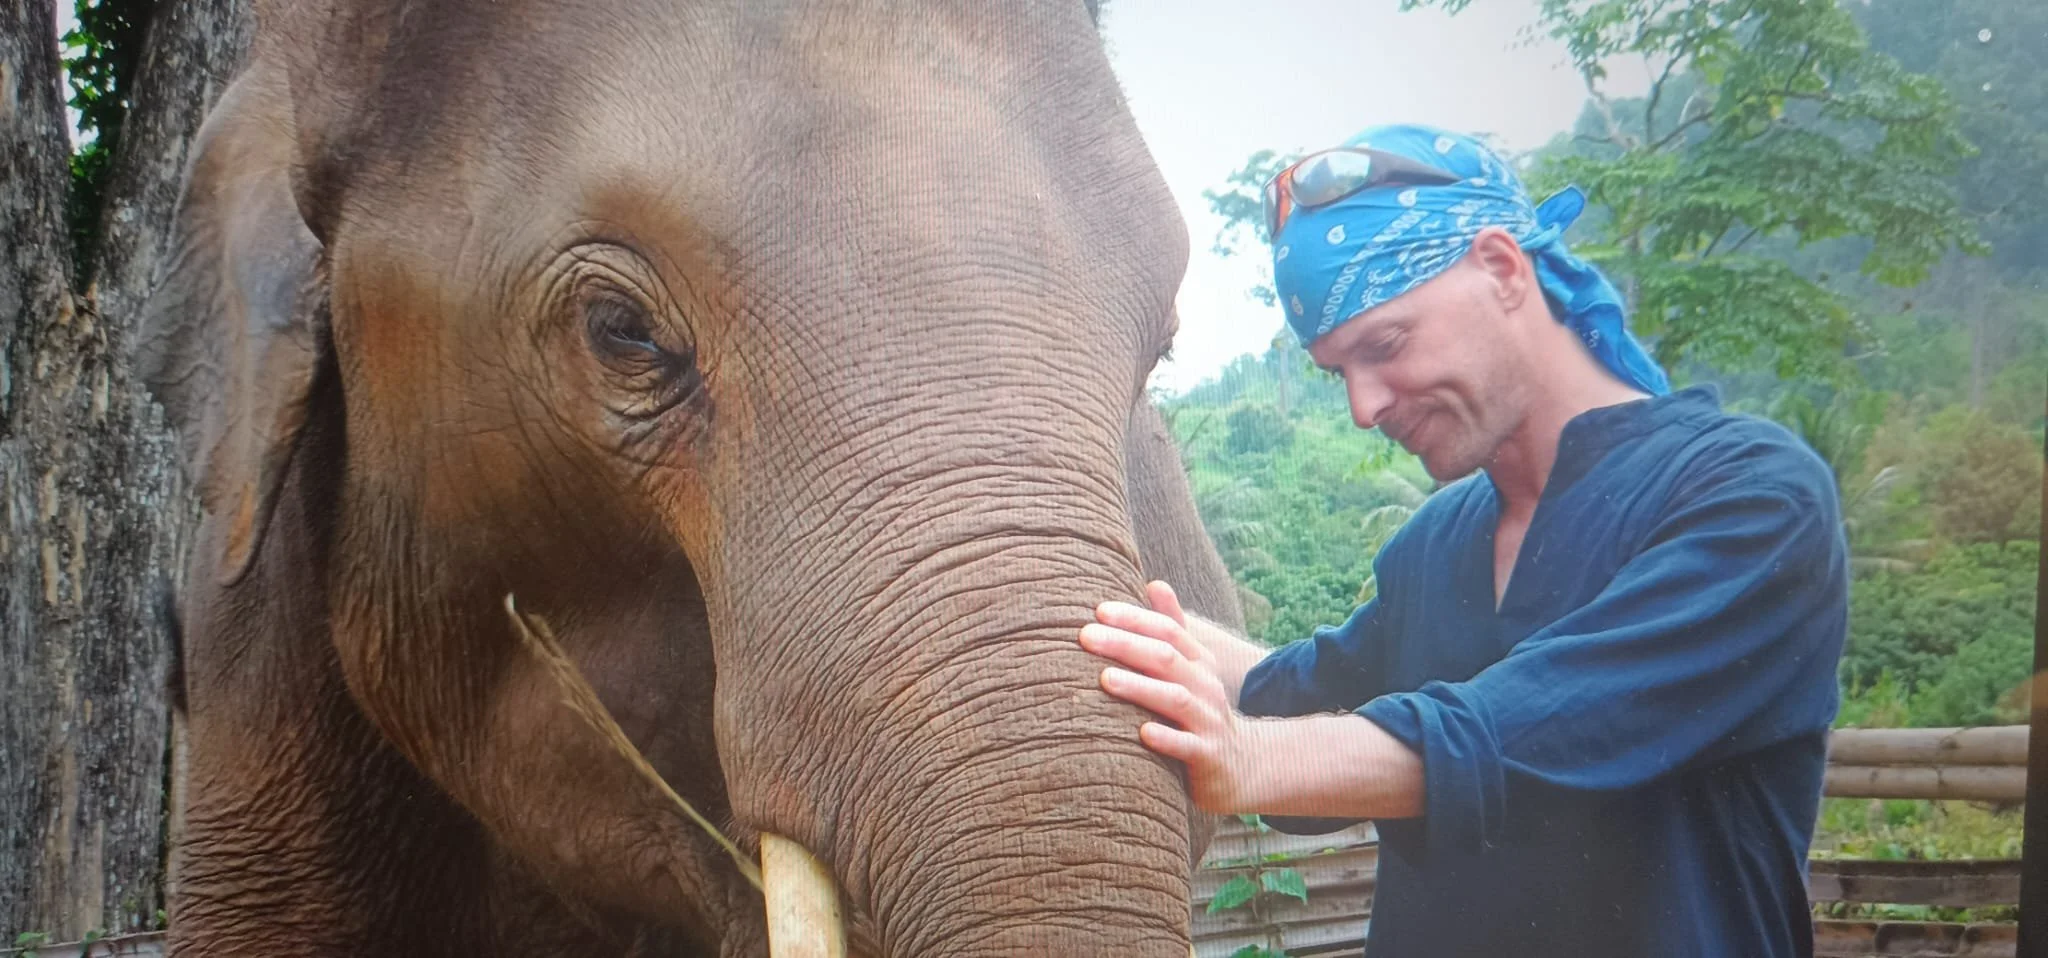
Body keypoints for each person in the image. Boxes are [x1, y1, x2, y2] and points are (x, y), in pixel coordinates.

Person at [1078, 124, 1849, 957]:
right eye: (1339, 371)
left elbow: (1525, 731)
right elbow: (1294, 695)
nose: (1363, 408)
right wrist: (1121, 614)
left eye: (1386, 345)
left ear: (1503, 270)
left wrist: (1253, 756)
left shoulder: (1750, 497)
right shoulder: (1436, 542)